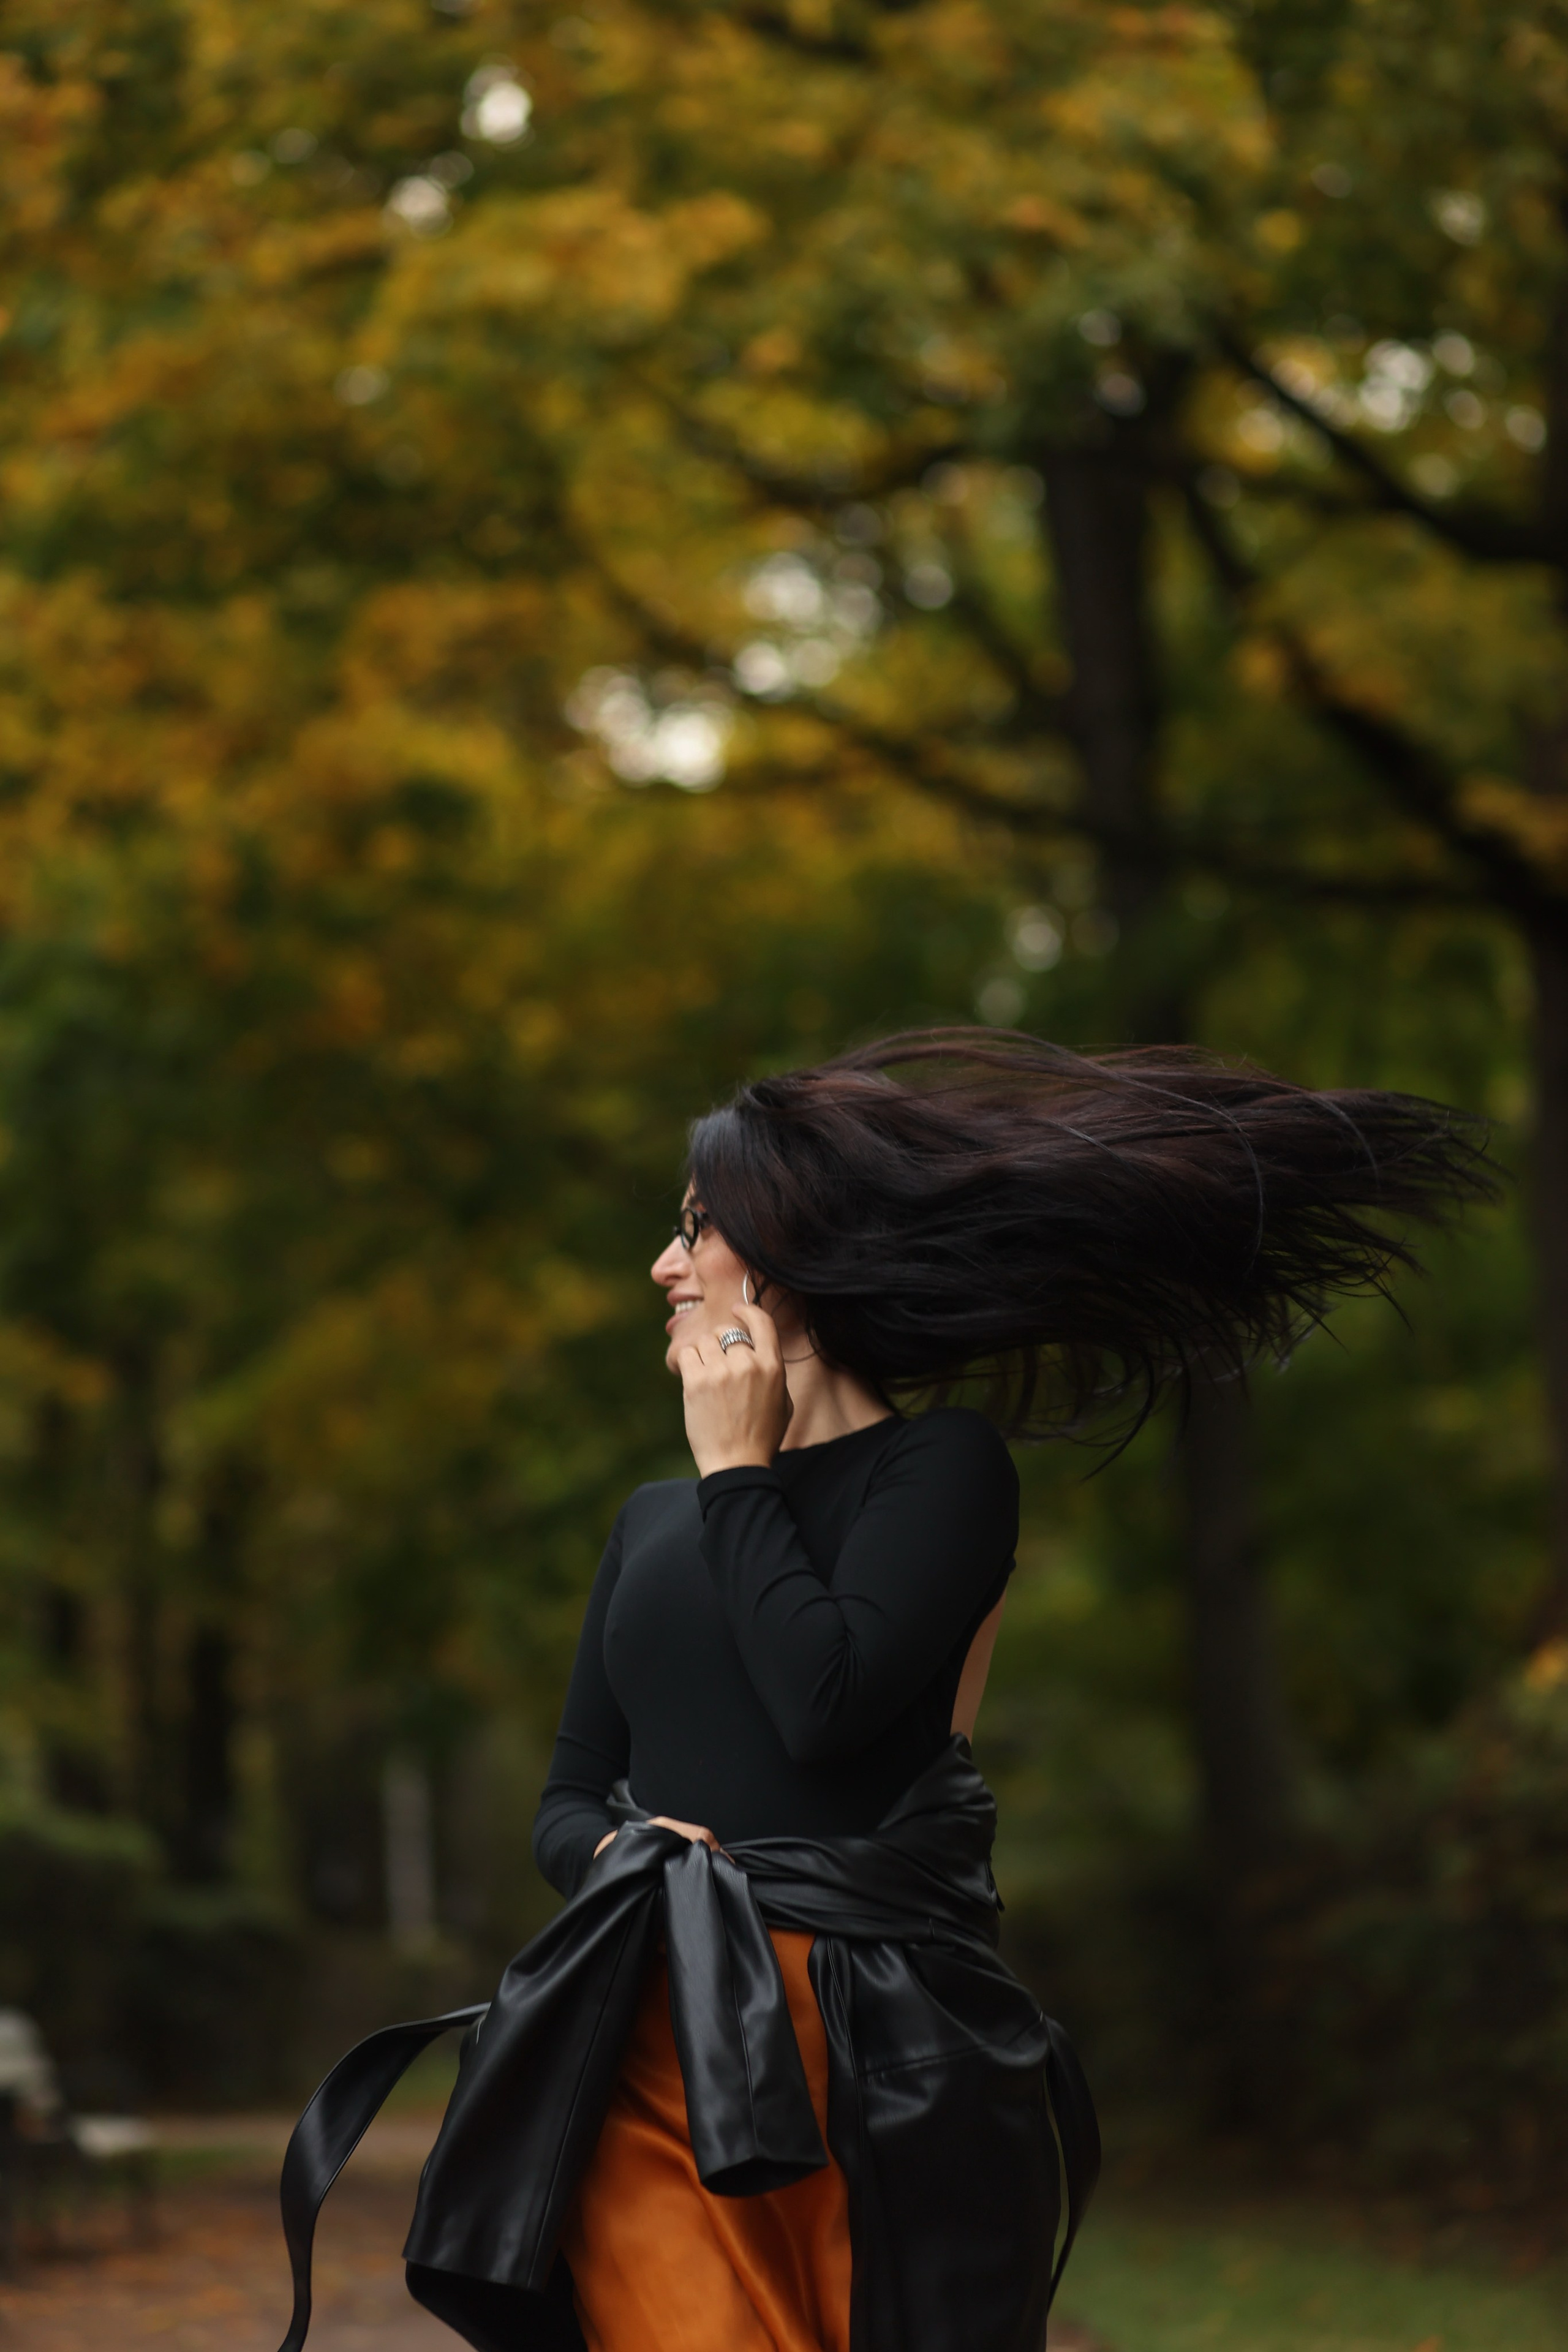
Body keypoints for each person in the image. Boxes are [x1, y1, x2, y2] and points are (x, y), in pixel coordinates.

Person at [274, 1030, 1493, 2352]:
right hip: (645, 2035)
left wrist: (736, 1469)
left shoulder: (943, 1473)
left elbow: (827, 1705)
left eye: (695, 1231)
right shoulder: (647, 1524)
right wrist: (627, 1853)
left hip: (865, 2057)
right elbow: (567, 1794)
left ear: (788, 1250)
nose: (663, 1266)